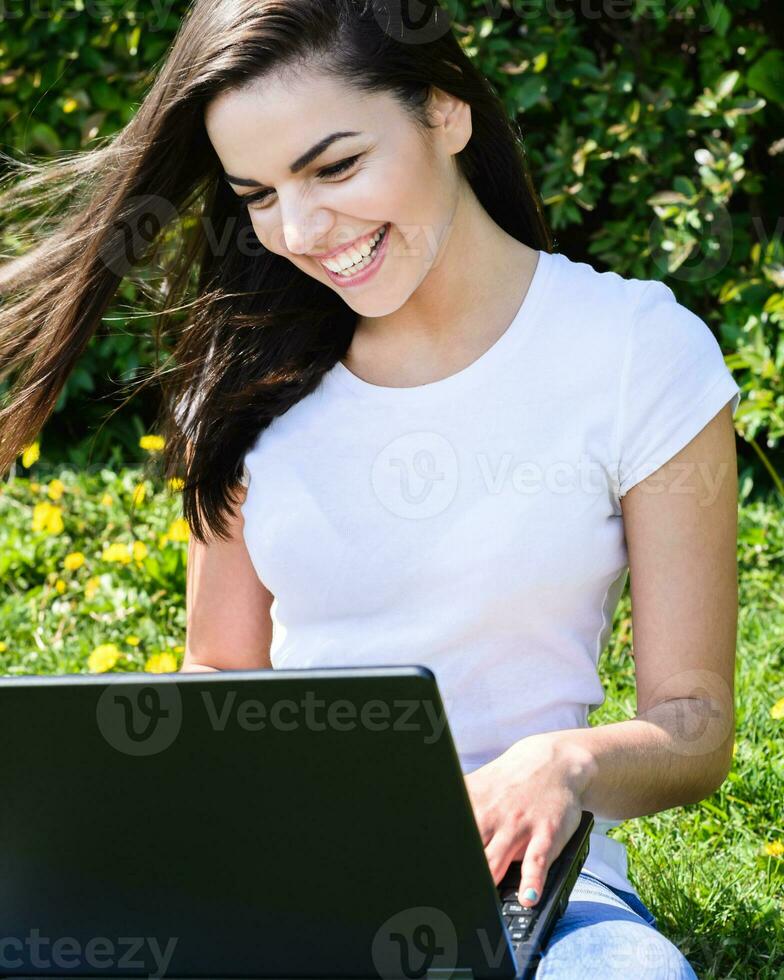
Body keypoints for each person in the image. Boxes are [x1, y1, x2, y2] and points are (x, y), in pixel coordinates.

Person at [0, 1, 740, 976]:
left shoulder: (634, 350)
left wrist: (564, 763)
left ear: (445, 113)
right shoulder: (245, 381)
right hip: (285, 877)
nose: (299, 229)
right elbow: (220, 669)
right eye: (256, 193)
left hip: (538, 892)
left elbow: (693, 724)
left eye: (335, 165)